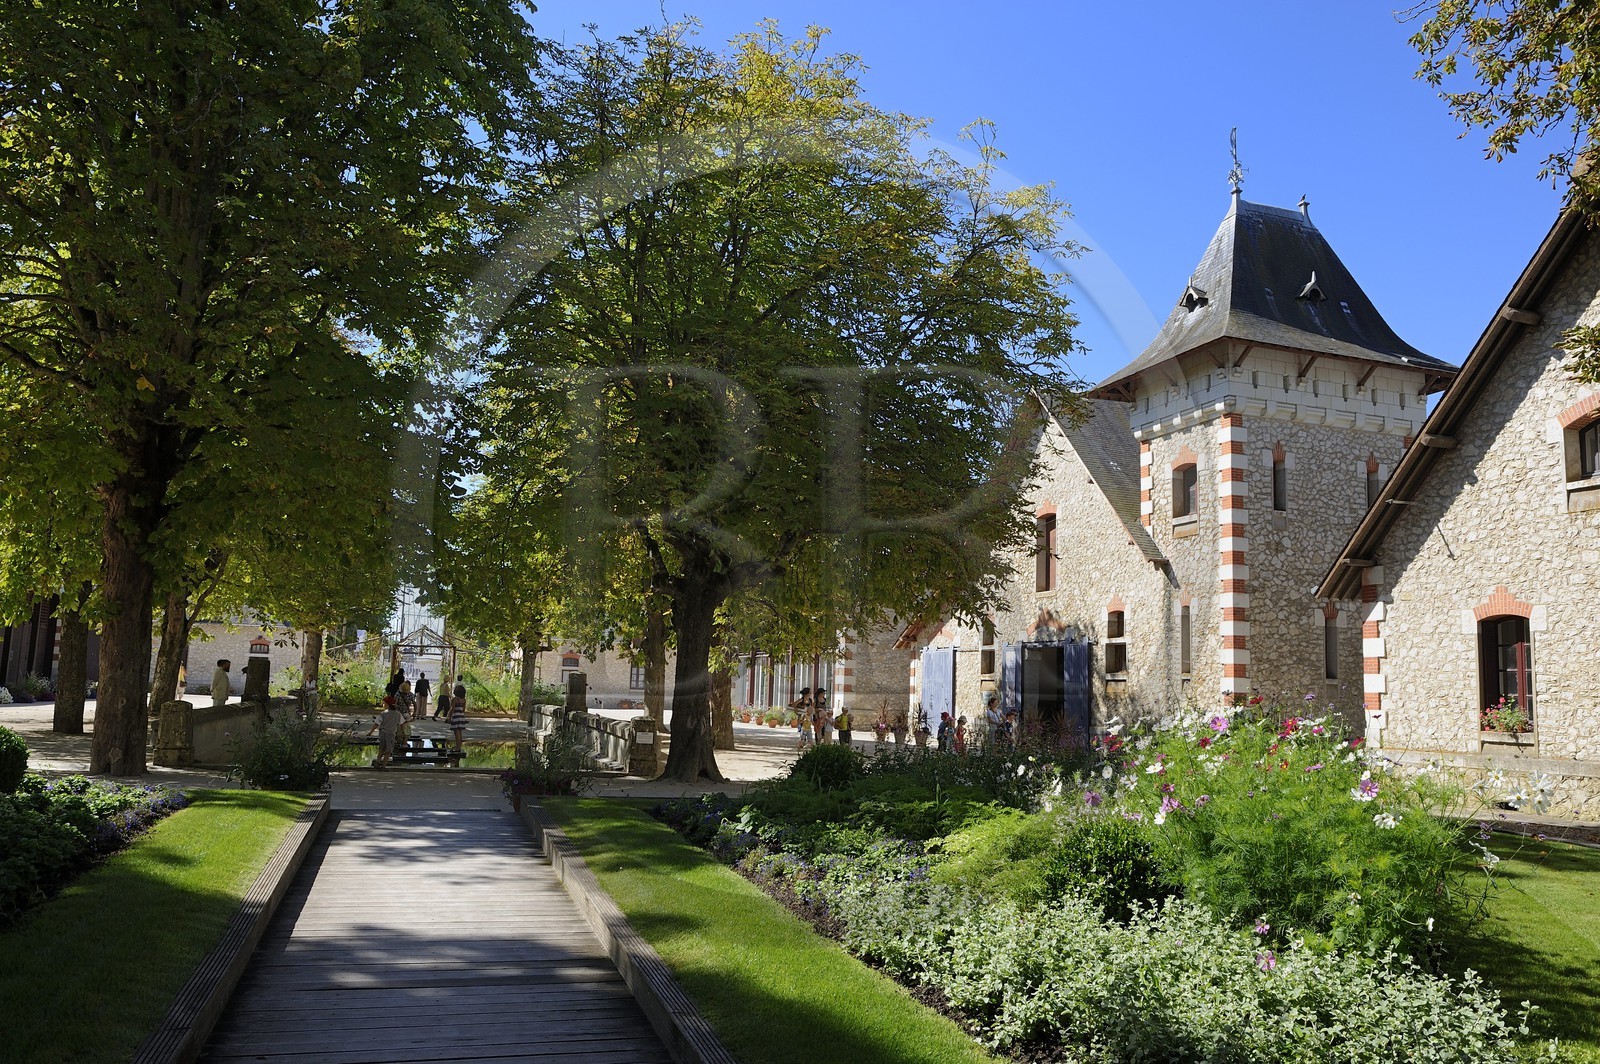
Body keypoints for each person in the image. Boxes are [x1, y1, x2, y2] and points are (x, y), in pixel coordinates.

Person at [369, 700, 404, 768]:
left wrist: (371, 732)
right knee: (388, 751)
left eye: (384, 703)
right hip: (391, 734)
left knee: (381, 749)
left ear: (388, 705)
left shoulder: (383, 714)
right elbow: (402, 724)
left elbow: (376, 724)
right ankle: (384, 766)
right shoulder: (398, 714)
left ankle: (378, 762)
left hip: (382, 733)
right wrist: (402, 733)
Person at [449, 691, 467, 756]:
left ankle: (457, 748)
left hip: (456, 716)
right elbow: (464, 709)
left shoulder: (455, 699)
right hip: (461, 716)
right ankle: (459, 746)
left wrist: (449, 716)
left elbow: (452, 708)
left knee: (456, 733)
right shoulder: (464, 700)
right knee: (460, 732)